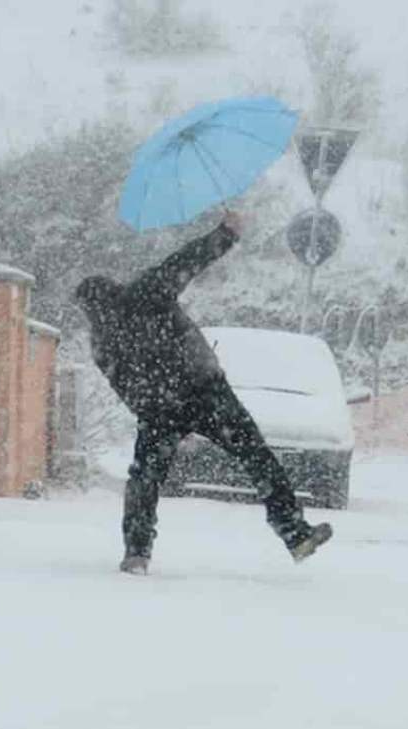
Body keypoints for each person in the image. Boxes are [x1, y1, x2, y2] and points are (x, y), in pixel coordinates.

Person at [73, 210, 333, 574]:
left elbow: (125, 388)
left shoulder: (102, 340)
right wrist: (226, 233)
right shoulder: (147, 290)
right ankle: (295, 533)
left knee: (144, 480)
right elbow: (187, 260)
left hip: (159, 410)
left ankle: (137, 553)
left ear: (88, 310)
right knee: (257, 457)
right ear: (115, 287)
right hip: (205, 392)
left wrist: (156, 411)